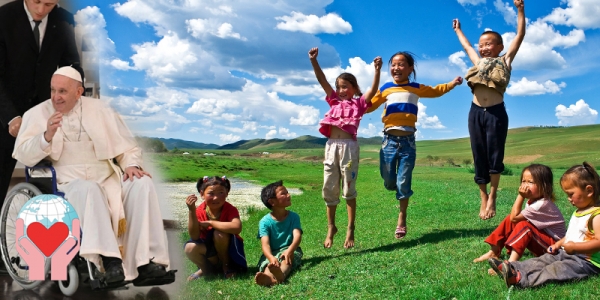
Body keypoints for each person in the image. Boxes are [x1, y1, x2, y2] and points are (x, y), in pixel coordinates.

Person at [13, 67, 172, 286]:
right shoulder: (36, 114)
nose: (56, 97)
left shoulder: (102, 110)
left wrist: (131, 165)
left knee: (142, 183)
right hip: (66, 181)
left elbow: (127, 148)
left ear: (79, 92)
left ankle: (146, 263)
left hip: (107, 177)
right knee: (89, 189)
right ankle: (110, 262)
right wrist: (46, 135)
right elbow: (23, 154)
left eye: (62, 91)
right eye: (52, 90)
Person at [366, 51, 463, 240]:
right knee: (388, 179)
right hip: (389, 141)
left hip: (408, 142)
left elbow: (436, 91)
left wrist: (452, 84)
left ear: (410, 68)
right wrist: (355, 102)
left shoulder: (416, 88)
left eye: (401, 64)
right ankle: (395, 187)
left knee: (404, 181)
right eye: (393, 64)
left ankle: (402, 218)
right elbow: (369, 106)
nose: (396, 68)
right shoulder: (386, 88)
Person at [0, 0, 82, 221]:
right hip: (5, 115)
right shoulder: (4, 17)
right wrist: (11, 117)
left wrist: (75, 90)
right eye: (36, 2)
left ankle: (46, 241)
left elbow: (72, 64)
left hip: (46, 115)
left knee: (49, 182)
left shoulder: (64, 19)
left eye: (48, 4)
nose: (40, 10)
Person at [452, 0, 526, 220]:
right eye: (481, 44)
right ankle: (483, 196)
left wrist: (520, 10)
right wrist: (458, 30)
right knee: (478, 154)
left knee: (495, 155)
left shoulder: (505, 60)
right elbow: (467, 47)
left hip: (495, 112)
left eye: (489, 44)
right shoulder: (478, 62)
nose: (483, 48)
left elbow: (519, 35)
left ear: (499, 47)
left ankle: (493, 195)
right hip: (475, 112)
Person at [308, 47, 382, 249]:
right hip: (331, 147)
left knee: (349, 188)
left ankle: (350, 228)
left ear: (354, 88)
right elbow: (322, 80)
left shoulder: (358, 104)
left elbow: (373, 90)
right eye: (339, 87)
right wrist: (314, 61)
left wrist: (377, 70)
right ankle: (331, 226)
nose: (341, 90)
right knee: (329, 187)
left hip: (349, 147)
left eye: (345, 86)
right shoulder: (333, 101)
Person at [489, 162, 600, 288]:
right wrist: (558, 244)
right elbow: (571, 235)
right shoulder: (579, 211)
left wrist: (575, 247)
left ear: (589, 191)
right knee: (542, 260)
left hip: (586, 261)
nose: (568, 198)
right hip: (566, 252)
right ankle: (511, 268)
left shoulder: (596, 216)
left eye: (571, 194)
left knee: (555, 269)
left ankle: (521, 280)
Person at [473, 164, 565, 275]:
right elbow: (513, 219)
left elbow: (515, 216)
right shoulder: (534, 201)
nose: (525, 185)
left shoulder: (541, 204)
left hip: (555, 249)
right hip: (545, 242)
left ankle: (510, 266)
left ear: (545, 186)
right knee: (512, 221)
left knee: (524, 226)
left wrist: (520, 196)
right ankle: (494, 251)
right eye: (523, 181)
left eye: (530, 182)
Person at [184, 176, 247, 281]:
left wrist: (211, 223)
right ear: (202, 194)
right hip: (210, 251)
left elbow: (237, 227)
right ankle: (206, 269)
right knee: (189, 248)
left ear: (227, 193)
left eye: (221, 193)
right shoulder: (199, 211)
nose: (216, 198)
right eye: (211, 193)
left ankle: (226, 266)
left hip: (228, 250)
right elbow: (194, 236)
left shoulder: (230, 209)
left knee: (219, 234)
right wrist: (191, 210)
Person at [254, 180, 303, 287]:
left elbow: (297, 236)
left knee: (286, 261)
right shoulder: (264, 222)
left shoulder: (294, 217)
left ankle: (280, 277)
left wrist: (289, 251)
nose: (288, 195)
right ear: (272, 202)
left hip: (290, 249)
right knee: (269, 265)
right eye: (283, 193)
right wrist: (271, 257)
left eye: (287, 192)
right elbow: (265, 244)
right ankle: (269, 278)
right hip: (271, 253)